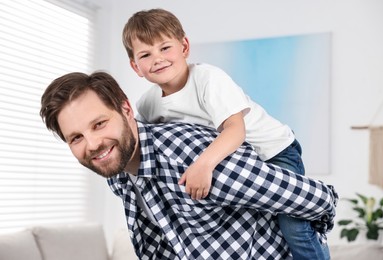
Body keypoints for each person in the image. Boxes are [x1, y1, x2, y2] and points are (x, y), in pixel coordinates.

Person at [40, 71, 337, 260]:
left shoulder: (189, 154)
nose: (92, 145)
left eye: (99, 124)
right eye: (76, 137)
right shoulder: (117, 173)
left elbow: (317, 199)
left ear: (126, 109)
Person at [122, 8, 328, 259]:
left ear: (184, 46)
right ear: (136, 66)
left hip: (274, 151)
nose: (157, 58)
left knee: (293, 223)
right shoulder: (147, 105)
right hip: (237, 165)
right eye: (146, 54)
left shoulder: (208, 79)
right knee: (255, 229)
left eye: (165, 48)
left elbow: (235, 130)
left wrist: (203, 165)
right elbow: (144, 141)